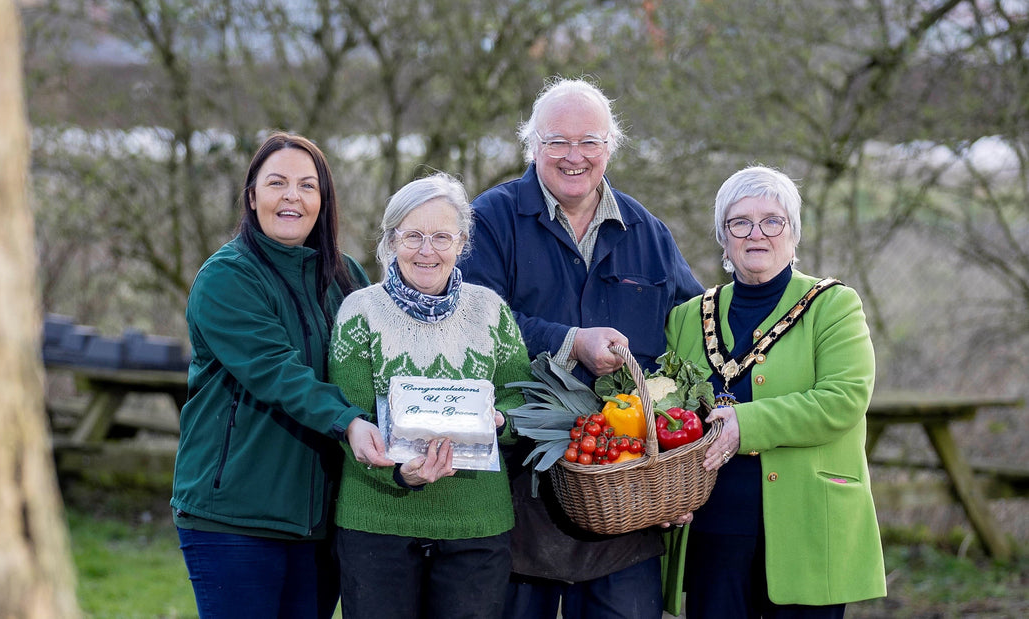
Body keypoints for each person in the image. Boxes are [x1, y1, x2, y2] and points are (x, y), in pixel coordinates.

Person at [458, 78, 704, 619]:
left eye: (589, 142)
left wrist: (687, 457)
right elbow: (471, 321)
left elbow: (694, 336)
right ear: (532, 146)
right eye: (557, 142)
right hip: (519, 495)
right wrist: (570, 342)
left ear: (610, 147)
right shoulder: (492, 219)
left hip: (627, 501)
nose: (575, 157)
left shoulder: (647, 231)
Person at [171, 132, 394, 619]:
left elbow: (387, 364)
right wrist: (351, 423)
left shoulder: (346, 277)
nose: (292, 195)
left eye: (307, 185)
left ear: (322, 201)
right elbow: (277, 373)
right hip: (235, 520)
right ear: (252, 197)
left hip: (322, 523)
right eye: (277, 183)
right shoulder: (227, 278)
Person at [665, 165, 887, 618]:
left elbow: (843, 399)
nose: (756, 234)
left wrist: (746, 425)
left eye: (772, 220)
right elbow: (667, 411)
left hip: (807, 526)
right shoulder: (687, 316)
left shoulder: (834, 306)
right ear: (723, 237)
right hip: (713, 528)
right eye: (739, 222)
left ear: (793, 232)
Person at [327, 172, 534, 619]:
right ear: (390, 241)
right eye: (413, 235)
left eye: (441, 236)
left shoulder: (490, 312)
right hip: (377, 523)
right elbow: (350, 420)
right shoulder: (359, 313)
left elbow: (521, 401)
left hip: (475, 525)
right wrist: (400, 474)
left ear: (461, 242)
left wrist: (500, 422)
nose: (426, 250)